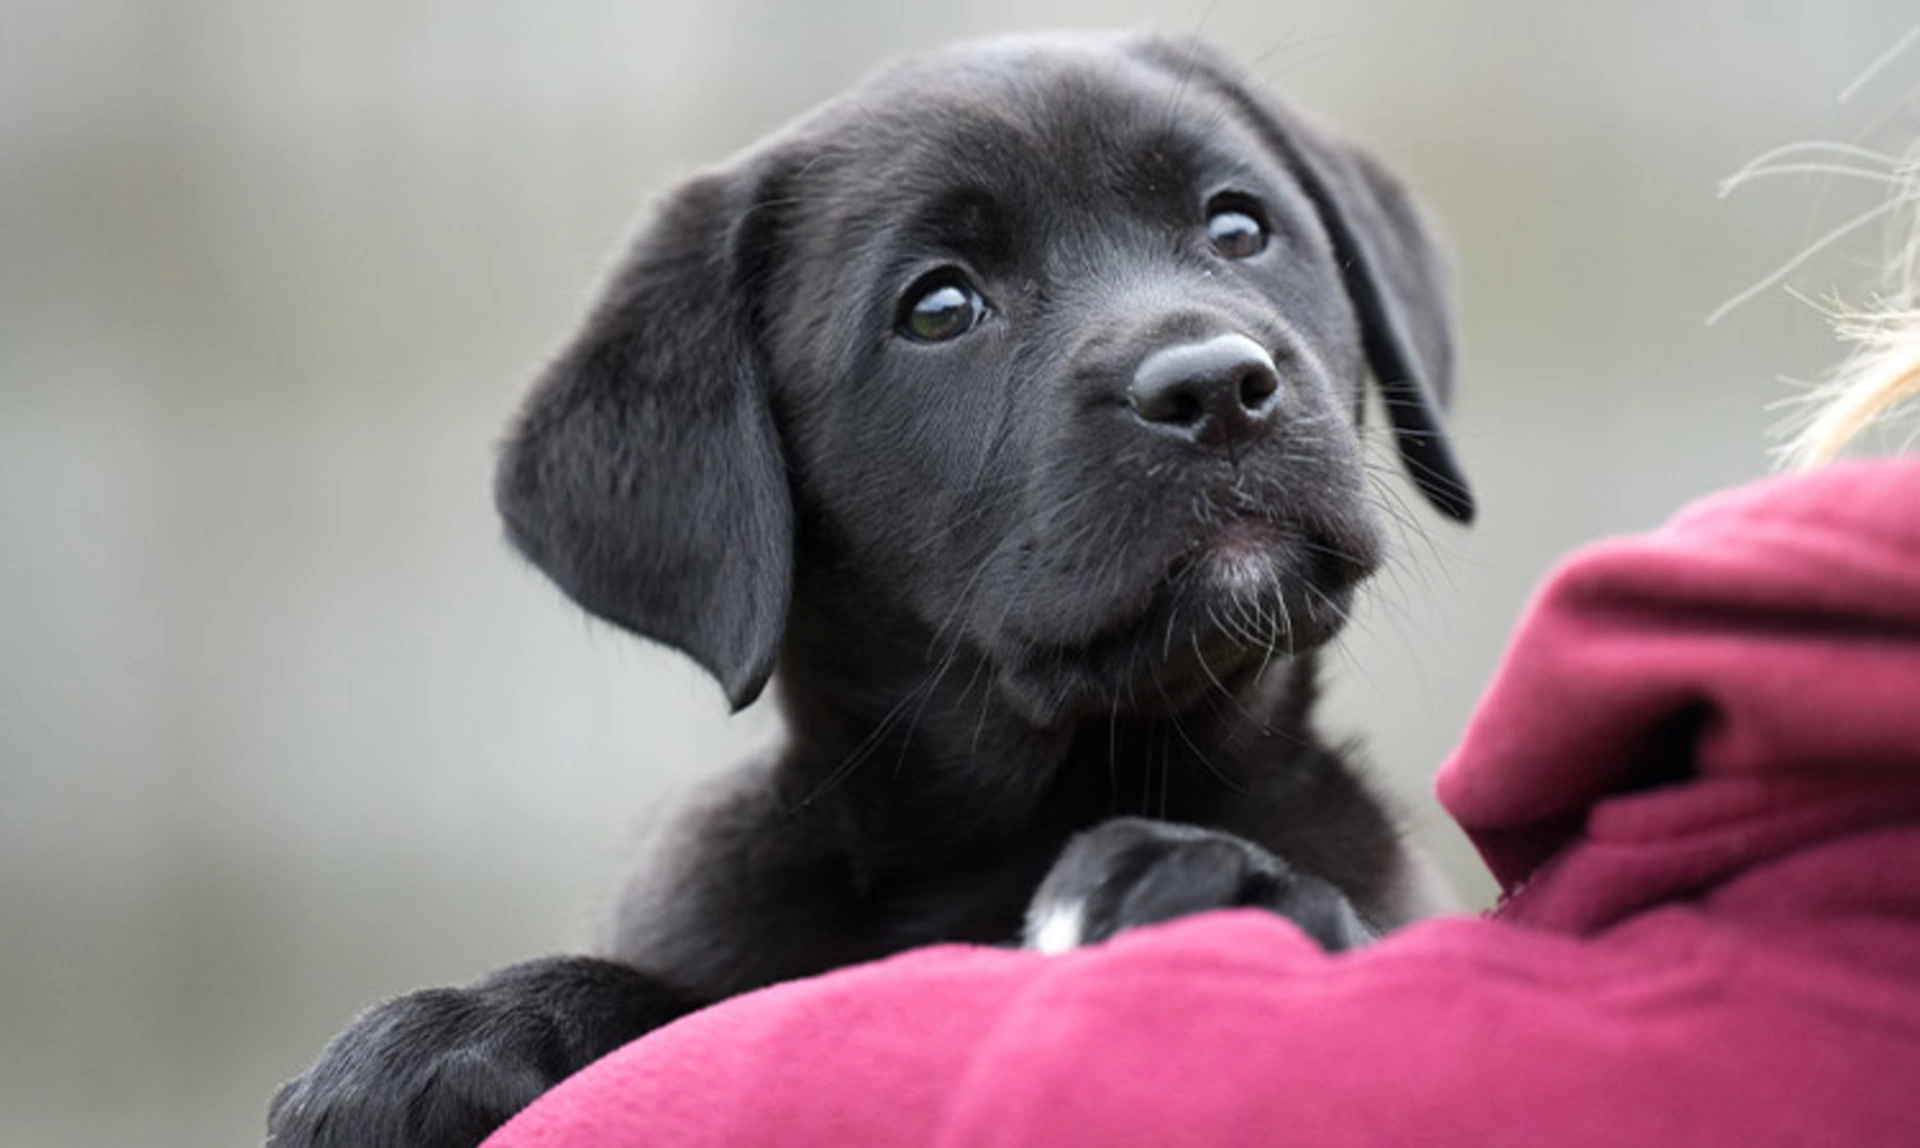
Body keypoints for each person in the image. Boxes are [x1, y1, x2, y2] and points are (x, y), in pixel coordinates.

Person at [480, 178, 1920, 1148]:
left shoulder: (1389, 950)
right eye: (939, 307)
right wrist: (563, 1034)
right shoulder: (687, 990)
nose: (1205, 352)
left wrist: (1282, 935)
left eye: (1238, 228)